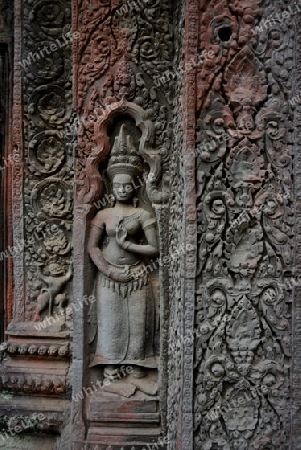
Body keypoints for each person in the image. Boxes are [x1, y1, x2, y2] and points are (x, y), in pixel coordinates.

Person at [87, 125, 159, 378]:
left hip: (138, 275)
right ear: (111, 186)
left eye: (127, 186)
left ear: (135, 186)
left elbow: (154, 248)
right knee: (111, 321)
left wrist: (128, 245)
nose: (122, 190)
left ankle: (138, 363)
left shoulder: (143, 214)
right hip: (108, 278)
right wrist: (108, 270)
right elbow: (92, 247)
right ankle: (110, 364)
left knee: (138, 322)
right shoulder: (104, 214)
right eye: (118, 186)